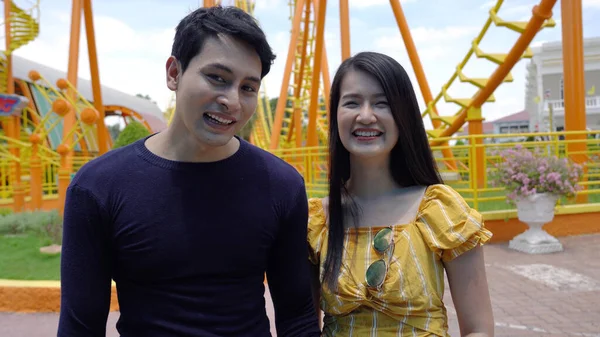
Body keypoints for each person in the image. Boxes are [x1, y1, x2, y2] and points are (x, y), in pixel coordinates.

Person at [58, 6, 321, 337]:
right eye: (217, 78)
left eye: (248, 88)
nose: (232, 101)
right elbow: (79, 327)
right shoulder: (98, 188)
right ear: (173, 73)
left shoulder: (281, 185)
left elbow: (297, 315)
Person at [307, 52, 495, 336]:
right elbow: (305, 327)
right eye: (352, 103)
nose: (366, 115)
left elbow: (479, 329)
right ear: (335, 115)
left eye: (382, 103)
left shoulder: (439, 210)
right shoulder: (317, 222)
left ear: (403, 115)